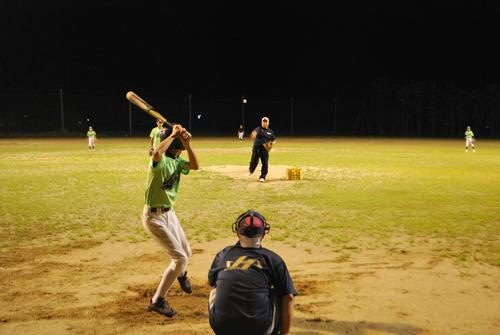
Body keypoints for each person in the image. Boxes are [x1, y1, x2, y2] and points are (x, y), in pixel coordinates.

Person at [142, 124, 199, 318]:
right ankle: (157, 300)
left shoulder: (177, 161)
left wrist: (188, 144)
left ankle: (181, 273)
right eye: (179, 146)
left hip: (169, 214)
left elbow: (195, 165)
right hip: (154, 217)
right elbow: (156, 152)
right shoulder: (160, 161)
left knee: (187, 252)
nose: (179, 150)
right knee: (180, 258)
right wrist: (173, 134)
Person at [208, 210, 297, 335]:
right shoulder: (273, 259)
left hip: (222, 327)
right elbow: (288, 297)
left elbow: (211, 281)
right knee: (281, 292)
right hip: (258, 329)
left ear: (238, 233)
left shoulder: (223, 254)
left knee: (215, 289)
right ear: (263, 234)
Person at [249, 117, 276, 182]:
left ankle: (262, 177)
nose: (265, 123)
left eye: (266, 122)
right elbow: (255, 132)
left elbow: (274, 139)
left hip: (264, 150)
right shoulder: (259, 129)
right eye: (263, 122)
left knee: (265, 163)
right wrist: (253, 134)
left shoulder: (270, 131)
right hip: (256, 148)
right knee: (254, 162)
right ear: (261, 122)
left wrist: (271, 144)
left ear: (268, 123)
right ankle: (251, 170)